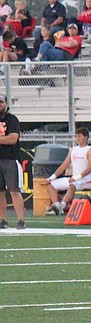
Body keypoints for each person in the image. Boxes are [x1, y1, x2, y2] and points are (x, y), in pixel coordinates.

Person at [46, 127, 91, 215]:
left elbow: (90, 168)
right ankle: (57, 206)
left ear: (86, 137)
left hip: (88, 179)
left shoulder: (90, 150)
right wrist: (52, 177)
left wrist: (77, 177)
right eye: (76, 136)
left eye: (80, 136)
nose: (77, 138)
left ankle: (61, 205)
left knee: (72, 185)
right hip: (74, 178)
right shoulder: (73, 149)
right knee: (51, 184)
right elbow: (64, 165)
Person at [0, 94, 26, 229]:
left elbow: (12, 139)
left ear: (6, 104)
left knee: (14, 191)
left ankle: (21, 220)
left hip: (10, 159)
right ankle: (3, 221)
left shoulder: (12, 120)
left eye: (1, 102)